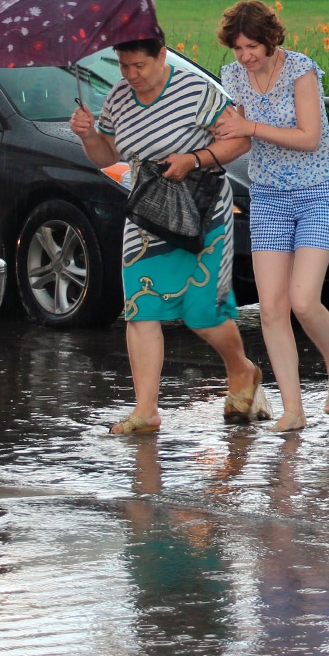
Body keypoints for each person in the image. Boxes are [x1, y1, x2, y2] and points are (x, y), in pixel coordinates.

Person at [69, 35, 264, 435]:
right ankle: (146, 410)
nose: (130, 75)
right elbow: (108, 155)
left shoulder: (196, 91)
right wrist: (89, 135)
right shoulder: (120, 97)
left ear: (161, 55)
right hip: (147, 212)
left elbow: (240, 140)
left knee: (202, 311)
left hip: (202, 210)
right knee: (142, 307)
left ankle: (241, 370)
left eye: (138, 65)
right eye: (123, 66)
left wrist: (193, 158)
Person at [211, 0, 329, 433]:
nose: (246, 56)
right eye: (238, 48)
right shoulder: (232, 75)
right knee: (271, 309)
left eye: (252, 46)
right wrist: (207, 146)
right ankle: (294, 410)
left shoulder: (300, 70)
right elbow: (237, 137)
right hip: (269, 195)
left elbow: (309, 137)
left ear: (271, 39)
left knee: (304, 300)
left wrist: (248, 127)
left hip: (318, 192)